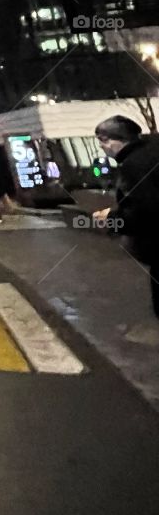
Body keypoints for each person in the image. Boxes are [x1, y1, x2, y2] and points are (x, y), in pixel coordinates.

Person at [93, 115, 159, 344]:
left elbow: (143, 213)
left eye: (101, 141)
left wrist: (110, 218)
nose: (102, 147)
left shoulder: (133, 166)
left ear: (113, 140)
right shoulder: (152, 152)